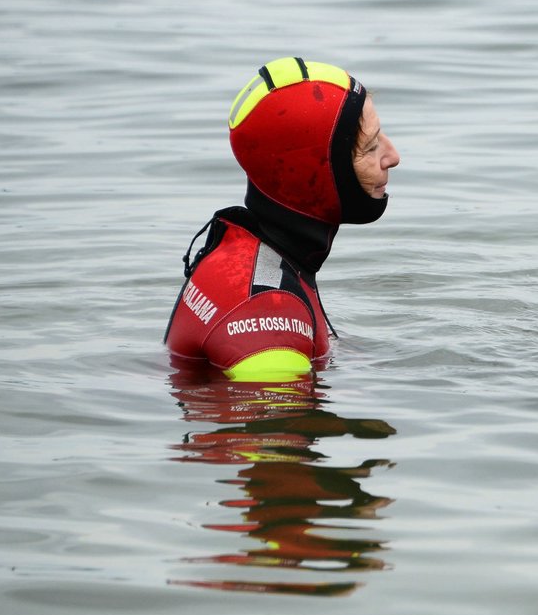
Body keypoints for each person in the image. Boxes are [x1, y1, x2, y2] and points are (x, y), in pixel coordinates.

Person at [165, 57, 400, 380]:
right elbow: (272, 421)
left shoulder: (250, 249)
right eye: (371, 147)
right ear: (315, 171)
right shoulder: (270, 315)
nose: (393, 156)